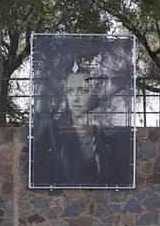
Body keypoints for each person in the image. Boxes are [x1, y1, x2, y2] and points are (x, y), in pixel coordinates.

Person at [30, 56, 133, 187]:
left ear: (98, 91)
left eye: (83, 91)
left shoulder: (110, 138)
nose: (75, 99)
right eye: (70, 91)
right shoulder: (53, 133)